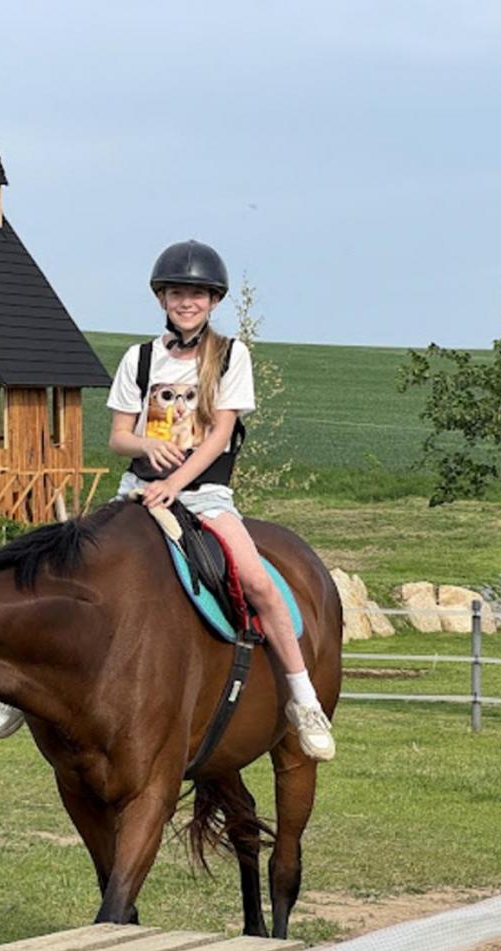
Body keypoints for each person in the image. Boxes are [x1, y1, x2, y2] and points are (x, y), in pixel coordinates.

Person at [106, 240, 336, 762]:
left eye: (197, 294)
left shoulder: (232, 356)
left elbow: (219, 435)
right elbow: (118, 436)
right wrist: (146, 446)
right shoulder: (139, 359)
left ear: (213, 301)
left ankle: (304, 697)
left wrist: (177, 484)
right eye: (177, 292)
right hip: (138, 488)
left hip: (206, 494)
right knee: (74, 560)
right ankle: (23, 702)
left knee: (256, 580)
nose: (187, 302)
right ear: (162, 297)